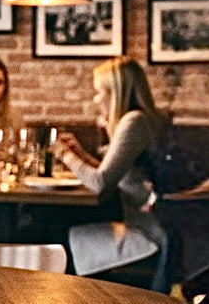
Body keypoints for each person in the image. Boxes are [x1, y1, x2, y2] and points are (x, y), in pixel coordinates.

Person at [53, 56, 167, 288]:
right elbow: (114, 174)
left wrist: (64, 154)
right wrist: (80, 154)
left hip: (151, 234)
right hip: (151, 227)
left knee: (55, 237)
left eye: (99, 92)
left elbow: (101, 182)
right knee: (59, 233)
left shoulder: (134, 122)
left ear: (116, 92)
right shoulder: (140, 120)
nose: (95, 99)